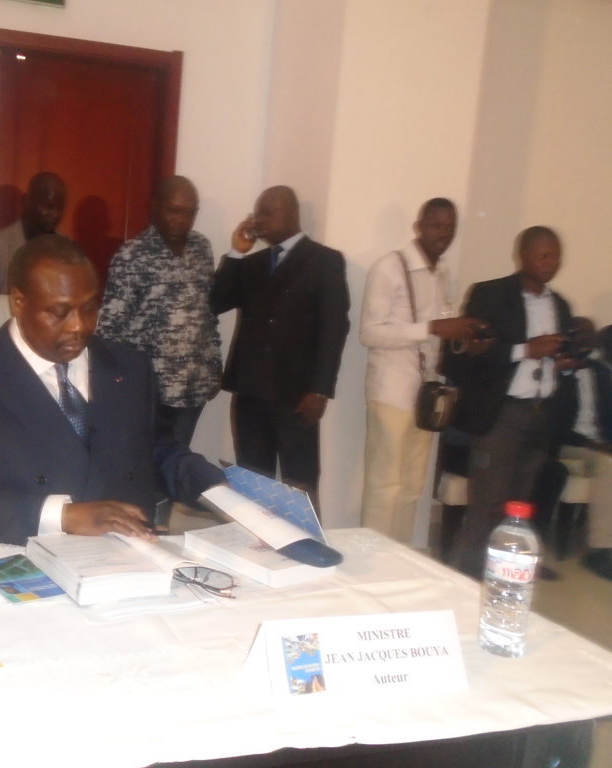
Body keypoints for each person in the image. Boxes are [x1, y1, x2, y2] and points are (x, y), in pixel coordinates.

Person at [0, 234, 225, 545]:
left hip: (130, 555)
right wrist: (63, 516)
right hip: (23, 555)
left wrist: (221, 491)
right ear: (19, 302)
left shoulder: (129, 366)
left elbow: (158, 450)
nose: (79, 326)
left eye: (89, 308)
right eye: (60, 313)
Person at [442, 226, 575, 577]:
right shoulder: (491, 295)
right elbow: (470, 354)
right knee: (487, 503)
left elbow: (560, 354)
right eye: (543, 255)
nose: (551, 262)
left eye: (556, 256)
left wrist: (563, 363)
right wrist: (525, 350)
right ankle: (465, 576)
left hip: (541, 413)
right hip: (502, 414)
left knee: (518, 506)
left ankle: (501, 572)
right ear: (522, 256)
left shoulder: (560, 305)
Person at [210, 185, 350, 504]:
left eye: (268, 212)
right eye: (257, 213)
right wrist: (237, 253)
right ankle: (255, 537)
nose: (260, 220)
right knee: (252, 482)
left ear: (293, 213)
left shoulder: (324, 260)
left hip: (297, 395)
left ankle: (305, 537)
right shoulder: (252, 263)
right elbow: (216, 302)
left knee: (299, 483)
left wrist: (320, 389)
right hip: (250, 392)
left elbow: (334, 328)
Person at [359, 198, 481, 544]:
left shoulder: (441, 273)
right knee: (385, 485)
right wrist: (433, 328)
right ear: (418, 226)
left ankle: (398, 556)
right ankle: (373, 559)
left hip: (428, 395)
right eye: (436, 225)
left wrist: (462, 336)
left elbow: (436, 336)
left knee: (412, 487)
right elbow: (370, 333)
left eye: (450, 227)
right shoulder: (389, 267)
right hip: (392, 391)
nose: (444, 233)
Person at [96, 176, 221, 446]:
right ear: (155, 208)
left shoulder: (202, 249)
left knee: (178, 459)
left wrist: (213, 366)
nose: (180, 219)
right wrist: (116, 384)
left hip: (192, 385)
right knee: (145, 461)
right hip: (147, 389)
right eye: (173, 210)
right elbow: (110, 328)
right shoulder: (131, 255)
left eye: (189, 213)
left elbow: (208, 313)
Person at [560, 323, 612, 579]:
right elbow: (557, 427)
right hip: (570, 444)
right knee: (608, 465)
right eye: (580, 336)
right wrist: (596, 445)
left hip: (597, 443)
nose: (586, 343)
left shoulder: (600, 372)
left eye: (590, 337)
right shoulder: (560, 372)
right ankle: (601, 550)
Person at [0, 172, 67, 294]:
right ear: (27, 200)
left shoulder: (67, 249)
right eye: (47, 207)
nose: (55, 214)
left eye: (59, 208)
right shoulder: (0, 244)